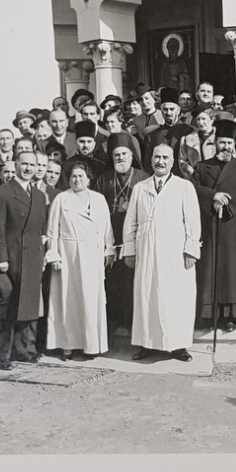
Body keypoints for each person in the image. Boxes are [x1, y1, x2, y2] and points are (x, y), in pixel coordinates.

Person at [121, 144, 201, 363]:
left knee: (176, 297)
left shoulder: (184, 187)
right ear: (151, 160)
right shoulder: (140, 188)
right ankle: (147, 344)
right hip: (146, 249)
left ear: (173, 161)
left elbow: (193, 221)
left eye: (165, 157)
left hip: (175, 251)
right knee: (147, 295)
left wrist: (190, 250)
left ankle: (179, 346)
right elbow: (131, 222)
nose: (160, 162)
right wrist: (130, 250)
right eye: (157, 157)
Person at [45, 162, 115, 360]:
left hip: (92, 254)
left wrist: (108, 249)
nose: (77, 180)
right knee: (68, 299)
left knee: (90, 300)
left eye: (81, 176)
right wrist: (54, 254)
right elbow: (52, 231)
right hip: (68, 255)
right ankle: (67, 345)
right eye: (74, 176)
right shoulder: (62, 199)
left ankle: (90, 346)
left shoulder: (99, 199)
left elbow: (107, 228)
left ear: (89, 179)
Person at [0, 151, 49, 369]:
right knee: (6, 307)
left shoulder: (40, 196)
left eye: (33, 164)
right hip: (10, 258)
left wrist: (41, 254)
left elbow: (41, 229)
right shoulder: (2, 193)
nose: (29, 168)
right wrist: (1, 258)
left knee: (29, 306)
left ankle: (26, 350)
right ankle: (1, 356)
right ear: (16, 165)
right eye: (24, 164)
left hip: (32, 257)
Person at [191, 120, 236, 331]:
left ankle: (229, 315)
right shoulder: (202, 166)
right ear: (215, 143)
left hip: (232, 223)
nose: (225, 147)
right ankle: (209, 315)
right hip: (209, 223)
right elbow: (193, 188)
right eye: (222, 142)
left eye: (229, 143)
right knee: (210, 267)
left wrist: (227, 203)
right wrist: (213, 196)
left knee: (230, 270)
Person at [91, 133, 149, 337]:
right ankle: (115, 324)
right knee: (113, 283)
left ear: (132, 156)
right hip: (111, 237)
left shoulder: (143, 178)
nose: (120, 158)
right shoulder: (103, 179)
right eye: (116, 155)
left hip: (135, 239)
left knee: (134, 283)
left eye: (124, 154)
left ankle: (134, 325)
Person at [141, 88, 194, 176]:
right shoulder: (153, 134)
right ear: (161, 110)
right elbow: (147, 162)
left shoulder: (188, 132)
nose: (168, 113)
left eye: (172, 109)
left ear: (178, 110)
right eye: (165, 109)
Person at [178, 103, 216, 178]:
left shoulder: (221, 138)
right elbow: (182, 160)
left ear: (212, 120)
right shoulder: (187, 140)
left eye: (203, 119)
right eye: (198, 119)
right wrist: (191, 174)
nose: (200, 122)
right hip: (195, 181)